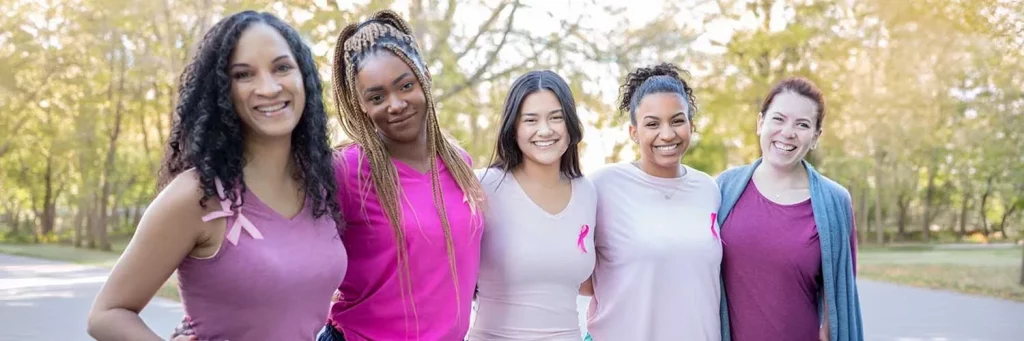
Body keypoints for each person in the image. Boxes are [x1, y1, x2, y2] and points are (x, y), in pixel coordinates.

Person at [87, 10, 346, 341]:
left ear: (303, 76)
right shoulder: (197, 195)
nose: (268, 87)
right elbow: (106, 314)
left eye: (282, 67)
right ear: (222, 91)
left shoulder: (321, 186)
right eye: (243, 74)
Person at [319, 9, 486, 341]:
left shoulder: (459, 163)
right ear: (361, 105)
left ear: (425, 76)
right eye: (377, 97)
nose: (395, 104)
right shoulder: (346, 170)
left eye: (405, 85)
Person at [717, 77, 863, 341]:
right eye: (779, 119)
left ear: (816, 137)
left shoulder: (835, 202)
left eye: (803, 124)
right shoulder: (721, 189)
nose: (788, 132)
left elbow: (839, 304)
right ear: (760, 123)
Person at [583, 63, 722, 340]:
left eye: (677, 120)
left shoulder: (709, 189)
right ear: (634, 132)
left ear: (691, 126)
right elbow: (579, 276)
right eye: (652, 124)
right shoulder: (602, 186)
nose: (667, 134)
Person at [469, 70, 596, 340]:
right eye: (531, 120)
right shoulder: (482, 186)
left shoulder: (588, 193)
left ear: (570, 125)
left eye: (556, 118)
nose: (545, 130)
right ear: (513, 128)